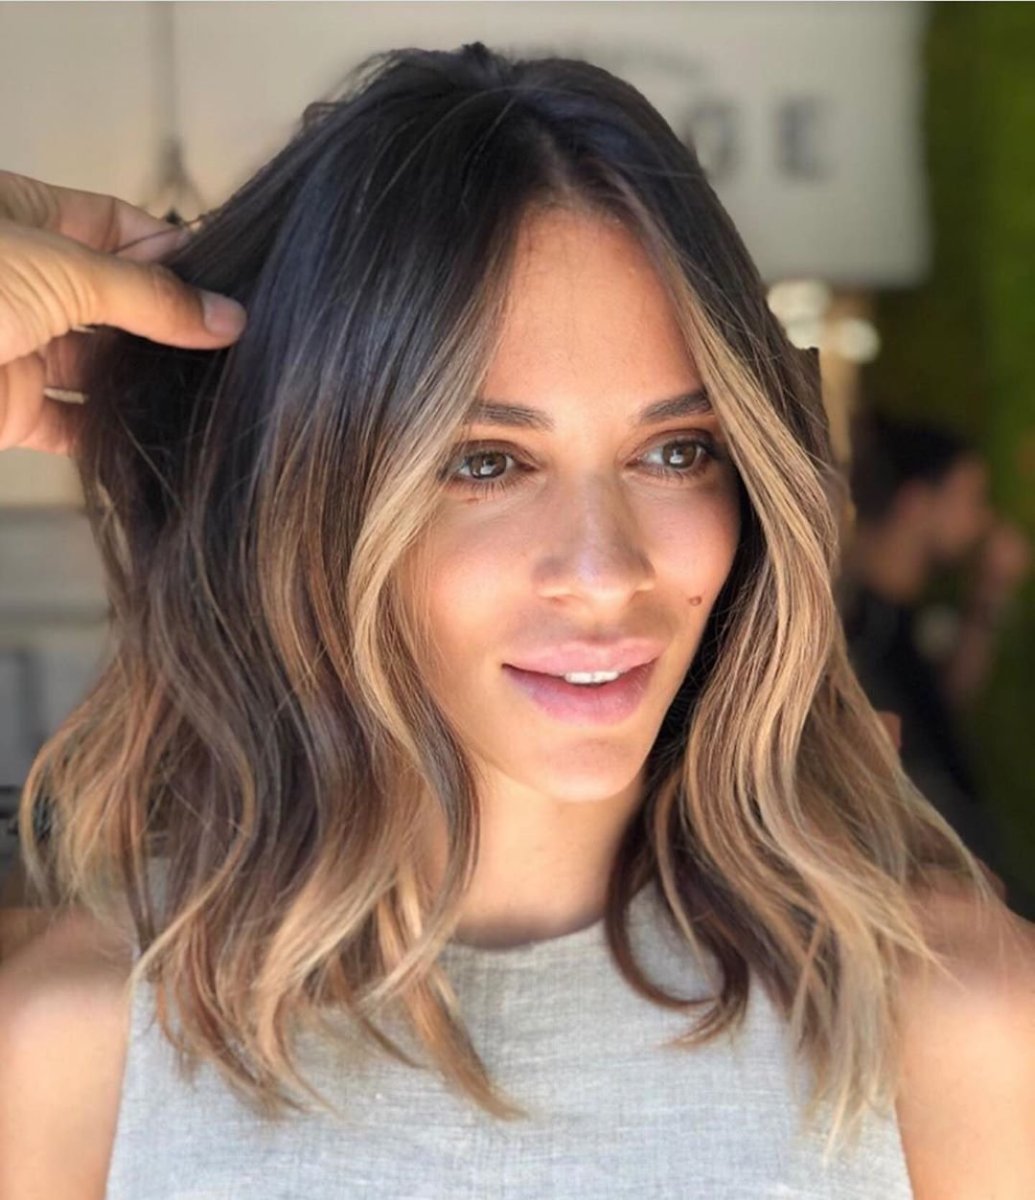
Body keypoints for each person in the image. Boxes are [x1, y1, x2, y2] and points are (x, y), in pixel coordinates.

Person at [0, 42, 1032, 1200]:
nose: (604, 573)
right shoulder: (84, 1049)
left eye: (675, 451)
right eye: (485, 461)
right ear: (302, 509)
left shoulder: (952, 1017)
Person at [839, 412, 1032, 908]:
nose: (983, 520)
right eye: (971, 499)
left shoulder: (901, 617)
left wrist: (989, 593)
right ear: (916, 503)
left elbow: (940, 706)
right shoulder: (861, 627)